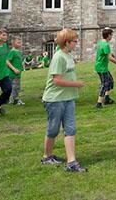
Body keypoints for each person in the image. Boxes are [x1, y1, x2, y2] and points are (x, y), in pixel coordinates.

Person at [41, 28, 87, 172]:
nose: (76, 43)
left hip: (68, 98)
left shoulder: (68, 55)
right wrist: (76, 84)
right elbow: (57, 80)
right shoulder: (59, 57)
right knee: (53, 129)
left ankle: (71, 162)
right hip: (55, 100)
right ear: (67, 42)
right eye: (74, 41)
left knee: (70, 129)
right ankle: (47, 156)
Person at [95, 27, 116, 109]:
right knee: (104, 84)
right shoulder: (105, 44)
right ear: (108, 35)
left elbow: (105, 53)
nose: (112, 36)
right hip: (101, 68)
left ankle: (107, 98)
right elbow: (109, 58)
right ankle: (99, 103)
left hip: (101, 66)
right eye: (111, 35)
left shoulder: (101, 42)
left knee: (110, 81)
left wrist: (110, 54)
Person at [8, 37, 25, 105]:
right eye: (18, 42)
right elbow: (7, 61)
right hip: (13, 73)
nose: (20, 44)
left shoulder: (19, 52)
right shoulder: (12, 52)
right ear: (13, 43)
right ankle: (15, 99)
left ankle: (12, 99)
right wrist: (14, 69)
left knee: (16, 87)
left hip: (18, 73)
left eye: (20, 42)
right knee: (15, 87)